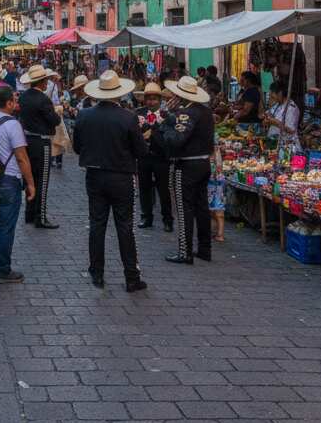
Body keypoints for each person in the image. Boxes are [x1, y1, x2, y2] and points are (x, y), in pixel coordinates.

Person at [73, 71, 148, 292]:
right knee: (125, 226)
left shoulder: (84, 115)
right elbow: (140, 150)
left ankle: (97, 273)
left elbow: (77, 147)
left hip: (95, 175)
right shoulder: (128, 117)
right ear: (119, 93)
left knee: (97, 224)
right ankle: (131, 277)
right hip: (121, 176)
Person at [0, 85, 36, 283]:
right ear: (8, 103)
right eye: (14, 100)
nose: (16, 103)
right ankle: (2, 269)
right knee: (5, 226)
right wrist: (30, 183)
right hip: (8, 179)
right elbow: (22, 157)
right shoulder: (13, 124)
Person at [160, 76, 215, 265]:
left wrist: (167, 123)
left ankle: (185, 252)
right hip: (203, 163)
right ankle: (205, 249)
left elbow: (176, 140)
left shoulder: (188, 113)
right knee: (202, 208)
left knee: (184, 209)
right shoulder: (206, 112)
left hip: (187, 166)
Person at [18, 64, 62, 229]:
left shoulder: (23, 97)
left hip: (27, 140)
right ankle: (41, 216)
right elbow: (54, 121)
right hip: (41, 142)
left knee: (30, 177)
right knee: (42, 180)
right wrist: (58, 113)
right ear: (42, 82)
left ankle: (29, 213)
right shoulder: (43, 99)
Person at [135, 82, 173, 232]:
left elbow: (169, 139)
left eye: (154, 99)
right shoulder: (139, 113)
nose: (151, 102)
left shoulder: (166, 115)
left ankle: (167, 219)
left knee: (163, 190)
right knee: (144, 188)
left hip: (161, 158)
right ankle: (146, 216)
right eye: (148, 98)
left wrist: (155, 128)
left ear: (160, 100)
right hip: (144, 158)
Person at [262, 80, 301, 149]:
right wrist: (267, 118)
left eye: (272, 95)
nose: (271, 97)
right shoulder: (278, 104)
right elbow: (268, 113)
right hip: (274, 143)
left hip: (287, 147)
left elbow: (291, 130)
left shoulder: (291, 108)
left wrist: (275, 122)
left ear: (280, 93)